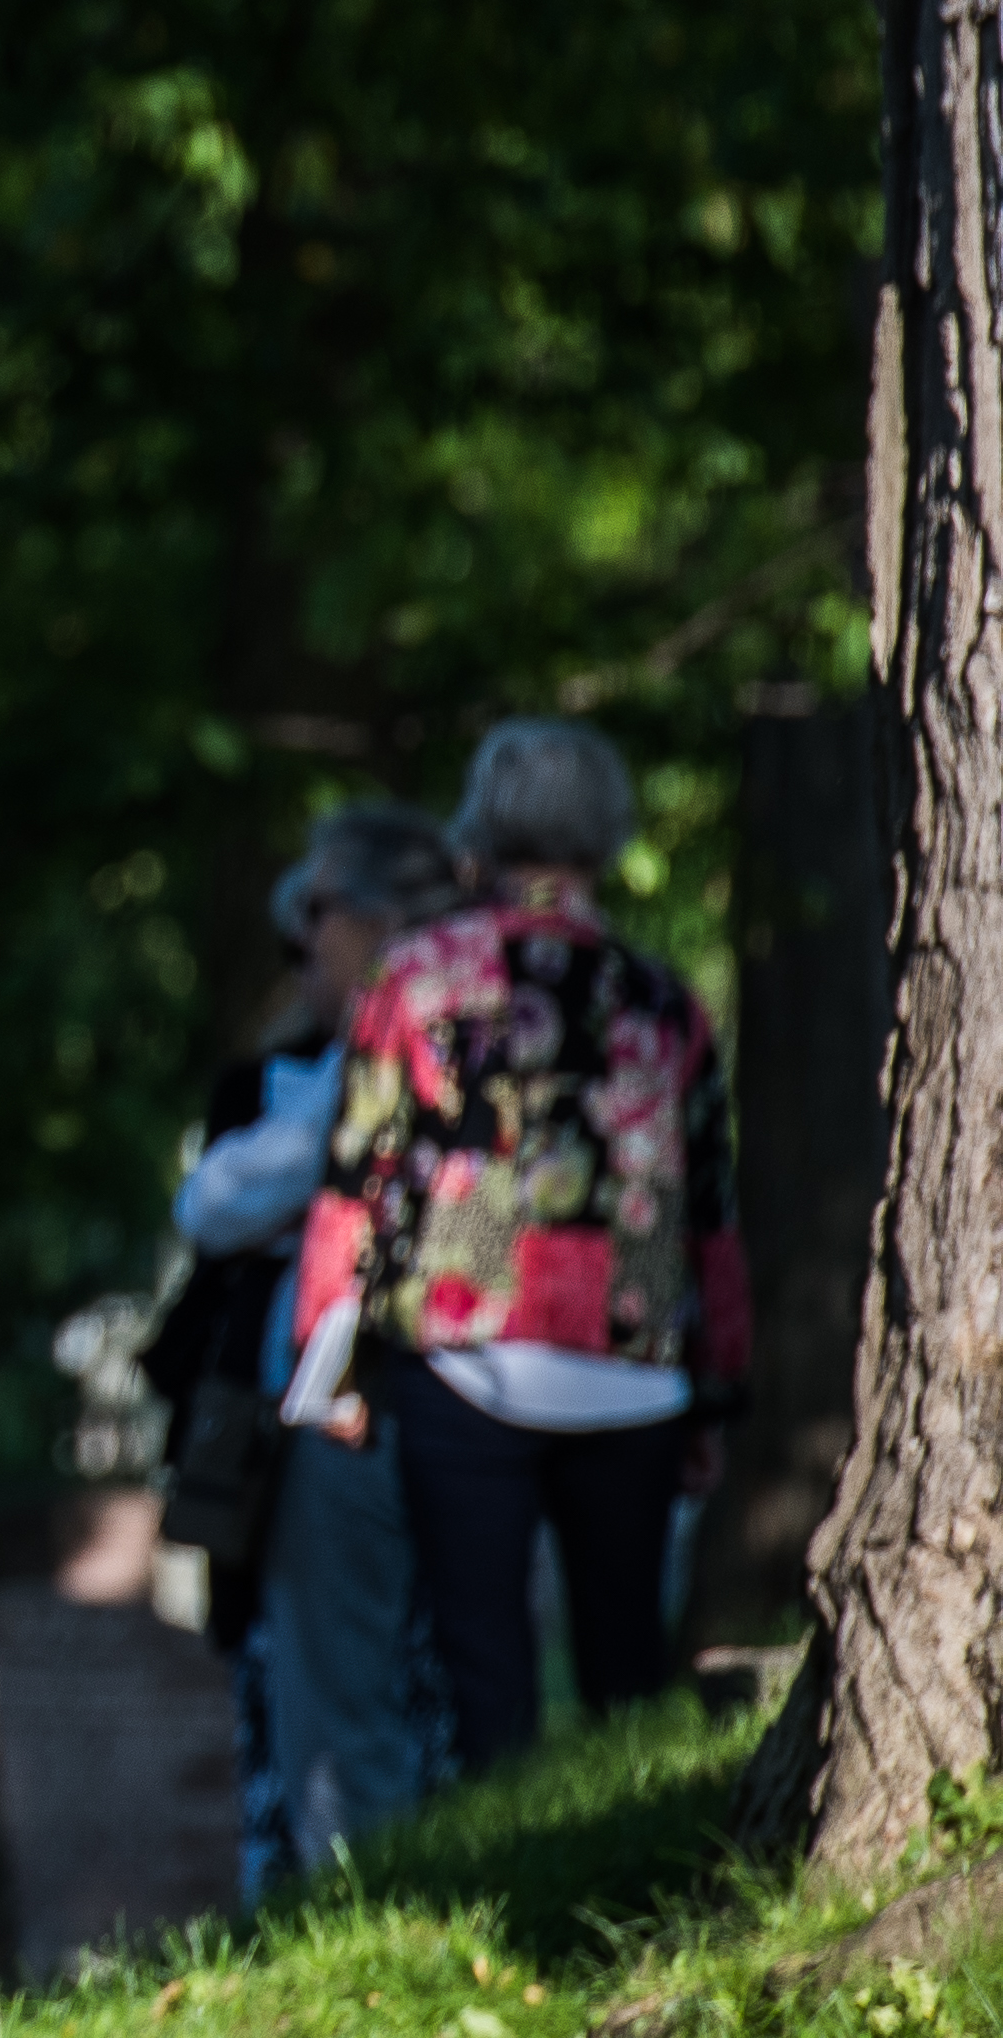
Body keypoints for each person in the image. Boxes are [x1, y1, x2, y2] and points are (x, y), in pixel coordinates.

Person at [301, 717, 743, 1771]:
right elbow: (708, 1211)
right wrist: (716, 1386)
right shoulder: (662, 997)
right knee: (622, 1667)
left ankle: (495, 1892)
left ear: (484, 827)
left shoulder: (418, 975)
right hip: (631, 1365)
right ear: (604, 834)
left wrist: (333, 1361)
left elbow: (359, 1177)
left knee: (481, 1660)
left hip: (465, 1347)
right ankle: (633, 1886)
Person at [171, 803, 458, 1887]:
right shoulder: (291, 1072)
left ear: (383, 923)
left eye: (317, 915)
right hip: (341, 1408)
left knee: (360, 1694)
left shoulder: (388, 1056)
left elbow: (227, 1200)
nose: (300, 944)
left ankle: (368, 1915)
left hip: (357, 1401)